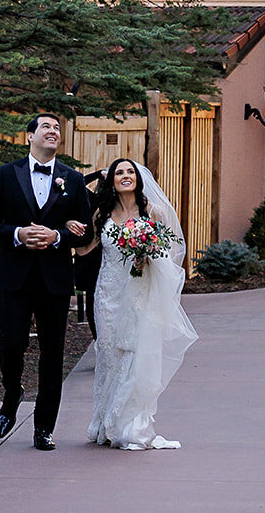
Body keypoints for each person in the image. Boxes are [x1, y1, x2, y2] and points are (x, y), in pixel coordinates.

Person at [0, 113, 93, 450]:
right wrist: (18, 233)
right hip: (14, 277)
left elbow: (84, 230)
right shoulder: (6, 174)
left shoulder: (72, 180)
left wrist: (56, 236)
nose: (53, 131)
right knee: (12, 345)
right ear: (30, 136)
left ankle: (44, 427)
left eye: (57, 128)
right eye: (46, 126)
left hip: (55, 280)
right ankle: (12, 392)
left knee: (52, 354)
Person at [84, 157, 197, 450]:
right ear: (111, 180)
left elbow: (170, 253)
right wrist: (70, 229)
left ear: (138, 178)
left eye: (130, 172)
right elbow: (85, 249)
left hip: (138, 294)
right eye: (119, 172)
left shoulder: (153, 212)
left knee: (133, 355)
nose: (125, 176)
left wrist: (147, 255)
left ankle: (129, 424)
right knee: (108, 356)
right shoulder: (102, 214)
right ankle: (104, 423)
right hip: (107, 295)